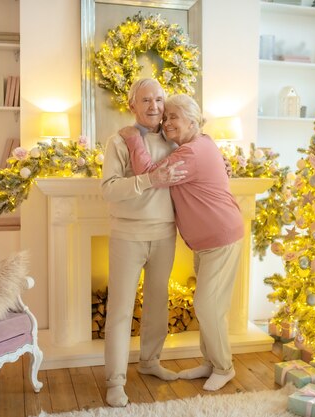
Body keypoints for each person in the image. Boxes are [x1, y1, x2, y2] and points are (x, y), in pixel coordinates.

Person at [119, 94, 244, 392]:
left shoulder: (191, 153)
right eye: (166, 117)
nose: (166, 121)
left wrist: (133, 137)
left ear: (193, 120)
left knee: (207, 306)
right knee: (209, 305)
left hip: (220, 237)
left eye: (174, 116)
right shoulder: (201, 144)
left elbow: (150, 174)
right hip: (207, 241)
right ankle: (210, 362)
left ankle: (224, 367)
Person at [101, 78, 187, 407]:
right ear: (132, 105)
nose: (154, 106)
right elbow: (108, 189)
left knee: (158, 304)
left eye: (159, 100)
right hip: (127, 234)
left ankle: (150, 362)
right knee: (120, 311)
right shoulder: (119, 141)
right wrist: (149, 179)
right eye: (146, 100)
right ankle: (115, 381)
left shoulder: (174, 139)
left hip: (165, 233)